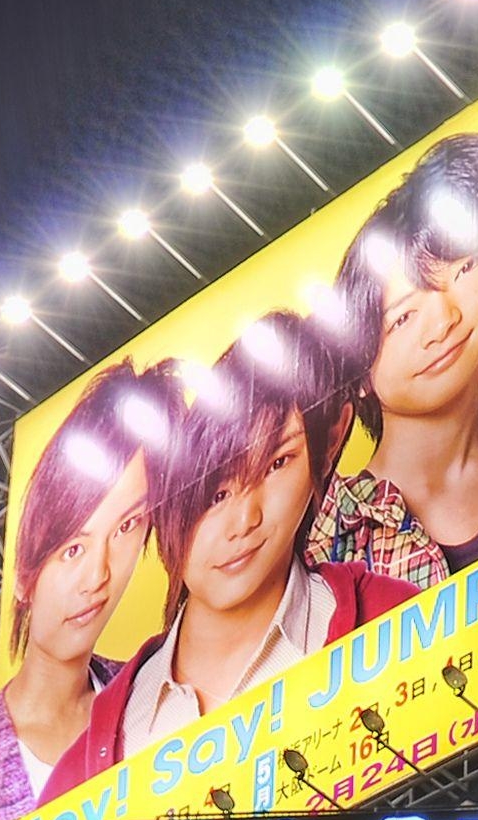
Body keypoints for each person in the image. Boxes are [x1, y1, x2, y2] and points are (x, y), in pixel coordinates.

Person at [88, 313, 400, 770]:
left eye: (277, 464)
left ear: (329, 444)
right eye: (215, 493)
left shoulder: (391, 620)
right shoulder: (103, 733)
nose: (244, 520)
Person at [305, 133, 478, 598]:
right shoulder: (327, 544)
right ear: (359, 372)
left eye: (465, 270)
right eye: (404, 317)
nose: (444, 323)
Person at [0, 362, 176, 820]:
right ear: (24, 576)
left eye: (127, 526)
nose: (99, 575)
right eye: (73, 548)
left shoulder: (154, 695)